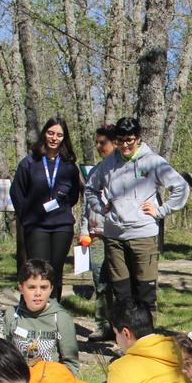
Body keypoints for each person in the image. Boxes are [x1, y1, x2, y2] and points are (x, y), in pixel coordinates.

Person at [83, 116, 189, 312]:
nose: (125, 145)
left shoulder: (153, 162)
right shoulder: (108, 164)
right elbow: (90, 189)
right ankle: (127, 339)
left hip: (143, 235)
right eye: (121, 140)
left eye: (129, 140)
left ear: (138, 138)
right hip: (115, 236)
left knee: (145, 293)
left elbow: (181, 187)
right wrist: (100, 207)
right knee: (122, 294)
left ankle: (147, 339)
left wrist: (161, 210)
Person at [10, 118, 83, 302]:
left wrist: (62, 205)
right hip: (36, 226)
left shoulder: (69, 166)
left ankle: (54, 311)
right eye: (51, 133)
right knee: (39, 271)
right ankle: (35, 311)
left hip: (62, 226)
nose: (54, 138)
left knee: (55, 271)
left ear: (64, 138)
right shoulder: (29, 163)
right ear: (44, 134)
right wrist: (27, 217)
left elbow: (74, 195)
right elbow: (17, 193)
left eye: (59, 135)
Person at [95, 299, 188, 383]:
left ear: (126, 333)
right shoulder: (181, 350)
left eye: (116, 333)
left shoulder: (122, 367)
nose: (116, 341)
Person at [3, 259, 80, 372]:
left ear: (51, 289)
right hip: (18, 381)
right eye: (32, 287)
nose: (38, 293)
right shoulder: (12, 315)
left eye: (43, 287)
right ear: (21, 288)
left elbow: (71, 364)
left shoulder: (61, 318)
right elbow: (3, 355)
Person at [80, 124, 118, 342]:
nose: (98, 146)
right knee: (100, 282)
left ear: (114, 143)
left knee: (121, 283)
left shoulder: (122, 170)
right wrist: (84, 229)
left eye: (102, 142)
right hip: (96, 235)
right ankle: (102, 325)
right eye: (97, 142)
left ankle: (122, 328)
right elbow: (87, 205)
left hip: (119, 235)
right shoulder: (95, 171)